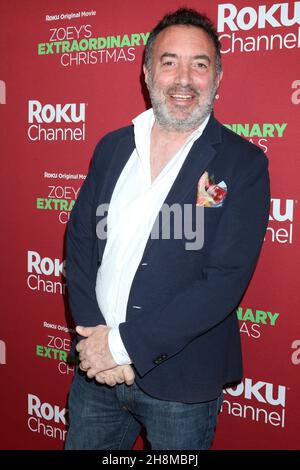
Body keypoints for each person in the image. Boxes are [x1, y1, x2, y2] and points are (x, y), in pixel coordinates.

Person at [65, 8, 270, 450]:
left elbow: (223, 284)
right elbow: (79, 240)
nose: (184, 78)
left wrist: (122, 349)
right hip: (95, 374)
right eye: (169, 61)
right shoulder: (113, 146)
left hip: (181, 383)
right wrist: (93, 339)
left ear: (217, 77)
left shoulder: (244, 163)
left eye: (200, 64)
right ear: (146, 72)